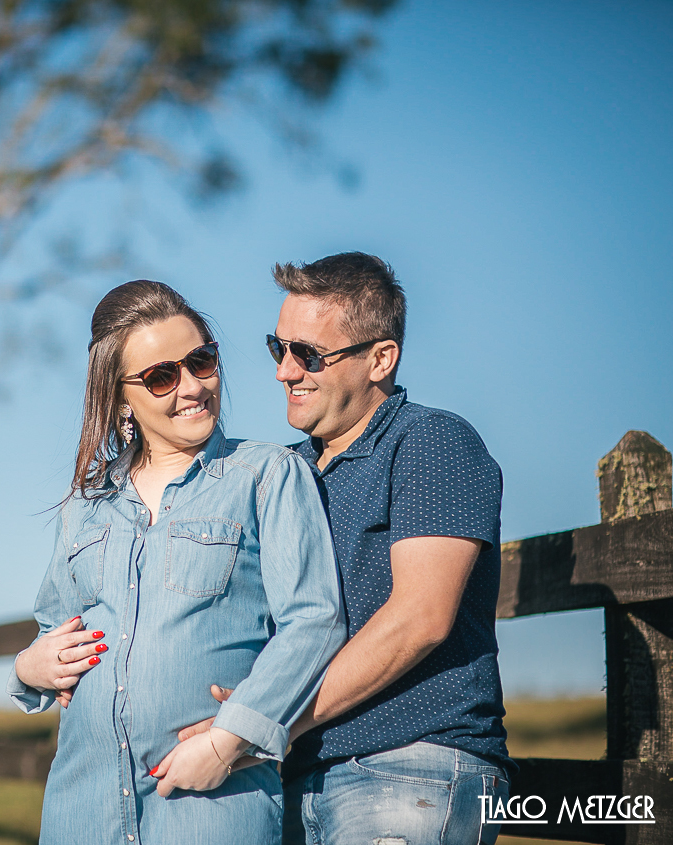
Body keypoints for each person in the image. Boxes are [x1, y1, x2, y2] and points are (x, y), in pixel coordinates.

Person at [171, 253, 513, 845]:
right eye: (278, 348)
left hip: (410, 766)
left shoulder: (431, 441)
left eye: (308, 355)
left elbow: (420, 620)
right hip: (291, 777)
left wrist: (259, 724)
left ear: (381, 359)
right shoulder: (284, 471)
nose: (284, 372)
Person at [7, 280, 347, 845]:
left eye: (201, 361)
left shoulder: (266, 475)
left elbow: (314, 622)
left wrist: (228, 741)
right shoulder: (85, 507)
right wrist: (28, 668)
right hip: (81, 812)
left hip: (211, 808)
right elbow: (53, 631)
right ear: (120, 397)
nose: (192, 386)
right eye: (162, 376)